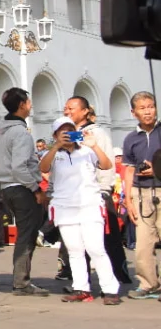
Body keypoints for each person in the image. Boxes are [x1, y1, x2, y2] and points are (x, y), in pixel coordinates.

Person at [42, 117, 121, 304]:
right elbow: (43, 167)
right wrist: (55, 147)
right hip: (64, 207)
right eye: (63, 132)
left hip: (90, 205)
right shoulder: (53, 154)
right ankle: (81, 288)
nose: (68, 134)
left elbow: (107, 165)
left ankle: (110, 290)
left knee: (96, 248)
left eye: (71, 130)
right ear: (55, 135)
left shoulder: (86, 150)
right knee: (74, 250)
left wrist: (94, 145)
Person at [61, 96, 131, 287]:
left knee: (104, 241)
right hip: (74, 196)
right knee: (78, 244)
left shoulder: (96, 133)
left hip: (96, 194)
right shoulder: (69, 135)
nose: (67, 111)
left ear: (85, 111)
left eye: (72, 108)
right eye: (65, 108)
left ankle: (115, 279)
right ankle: (81, 282)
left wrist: (104, 191)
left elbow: (106, 163)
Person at [0, 87, 48, 296]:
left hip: (7, 187)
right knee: (27, 234)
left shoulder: (1, 130)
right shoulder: (20, 133)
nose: (30, 105)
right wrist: (35, 188)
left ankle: (20, 279)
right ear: (22, 105)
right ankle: (21, 281)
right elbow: (19, 167)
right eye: (28, 101)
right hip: (21, 188)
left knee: (26, 232)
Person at [120, 91, 161, 299]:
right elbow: (127, 170)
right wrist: (128, 199)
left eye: (151, 106)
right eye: (143, 107)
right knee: (143, 243)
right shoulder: (131, 139)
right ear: (133, 112)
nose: (148, 111)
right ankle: (148, 283)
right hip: (141, 194)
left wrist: (157, 169)